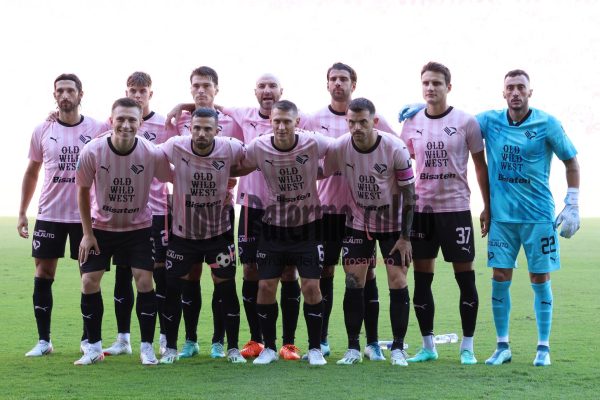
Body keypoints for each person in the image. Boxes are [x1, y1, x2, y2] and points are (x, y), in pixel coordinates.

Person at [477, 69, 579, 367]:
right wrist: (426, 110)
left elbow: (571, 161)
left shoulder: (547, 123)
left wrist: (572, 202)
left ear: (530, 92)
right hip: (502, 219)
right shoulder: (489, 121)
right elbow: (455, 123)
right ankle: (502, 346)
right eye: (510, 87)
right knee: (499, 278)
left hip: (538, 217)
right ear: (503, 92)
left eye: (521, 87)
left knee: (539, 277)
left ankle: (543, 348)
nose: (515, 92)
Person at [304, 62, 398, 360]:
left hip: (363, 214)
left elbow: (399, 150)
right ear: (327, 84)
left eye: (343, 79)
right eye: (333, 79)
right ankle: (322, 340)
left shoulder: (371, 118)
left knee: (366, 274)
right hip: (329, 210)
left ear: (353, 84)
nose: (338, 83)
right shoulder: (313, 119)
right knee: (325, 271)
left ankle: (371, 343)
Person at [400, 62, 490, 365]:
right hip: (423, 211)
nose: (430, 88)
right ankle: (428, 346)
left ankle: (467, 347)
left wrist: (487, 206)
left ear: (448, 87)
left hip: (456, 210)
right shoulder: (411, 122)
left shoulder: (466, 122)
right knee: (422, 281)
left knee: (465, 280)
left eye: (437, 83)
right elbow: (403, 165)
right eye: (426, 83)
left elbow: (480, 166)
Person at [233, 100, 330, 366]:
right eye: (277, 121)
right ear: (271, 121)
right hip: (273, 228)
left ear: (297, 122)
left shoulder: (313, 142)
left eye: (287, 121)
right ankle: (269, 348)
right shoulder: (259, 146)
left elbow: (341, 150)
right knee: (265, 286)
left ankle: (314, 348)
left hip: (308, 227)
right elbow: (238, 165)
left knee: (311, 286)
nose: (282, 126)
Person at [74, 97, 171, 365]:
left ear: (140, 123)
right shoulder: (92, 151)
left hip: (138, 229)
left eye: (132, 120)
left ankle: (147, 348)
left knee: (144, 282)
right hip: (101, 229)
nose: (126, 125)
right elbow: (82, 191)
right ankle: (93, 348)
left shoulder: (151, 152)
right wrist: (87, 234)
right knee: (89, 281)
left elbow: (174, 177)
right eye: (121, 119)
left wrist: (222, 185)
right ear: (111, 121)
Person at [18, 73, 108, 357]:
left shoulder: (98, 128)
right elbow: (32, 172)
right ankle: (44, 341)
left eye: (71, 90)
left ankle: (89, 341)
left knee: (89, 277)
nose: (65, 95)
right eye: (60, 91)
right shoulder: (42, 129)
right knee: (43, 273)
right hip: (50, 214)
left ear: (81, 94)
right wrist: (22, 212)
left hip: (86, 218)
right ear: (54, 95)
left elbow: (124, 138)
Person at [323, 98, 416, 366]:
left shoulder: (394, 148)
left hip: (393, 227)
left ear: (374, 122)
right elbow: (319, 172)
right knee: (354, 282)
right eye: (351, 122)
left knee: (397, 281)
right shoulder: (341, 146)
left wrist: (405, 238)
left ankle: (397, 349)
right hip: (358, 224)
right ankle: (353, 348)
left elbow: (410, 195)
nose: (356, 128)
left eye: (362, 122)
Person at [166, 66, 243, 360]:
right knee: (189, 279)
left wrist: (227, 177)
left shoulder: (232, 122)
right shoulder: (178, 121)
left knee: (222, 282)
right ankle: (189, 340)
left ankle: (220, 342)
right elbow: (159, 155)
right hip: (184, 218)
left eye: (206, 86)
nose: (201, 90)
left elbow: (246, 158)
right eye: (196, 86)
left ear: (216, 89)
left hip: (219, 217)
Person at [103, 71, 175, 358]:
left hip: (158, 211)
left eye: (142, 91)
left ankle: (163, 337)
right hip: (125, 213)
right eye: (132, 90)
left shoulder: (166, 124)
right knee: (123, 273)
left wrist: (183, 106)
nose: (137, 95)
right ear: (126, 92)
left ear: (150, 94)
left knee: (158, 274)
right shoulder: (114, 123)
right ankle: (123, 339)